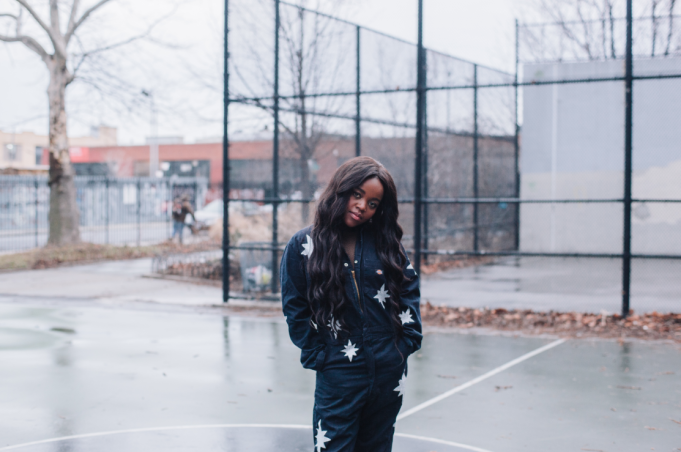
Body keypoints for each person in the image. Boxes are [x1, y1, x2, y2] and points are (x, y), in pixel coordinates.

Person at [280, 156, 422, 452]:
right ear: (341, 190)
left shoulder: (385, 243)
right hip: (339, 369)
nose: (362, 206)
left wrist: (406, 342)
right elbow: (295, 307)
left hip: (388, 368)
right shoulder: (303, 245)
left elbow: (407, 289)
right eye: (358, 195)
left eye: (373, 203)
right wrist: (319, 354)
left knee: (377, 446)